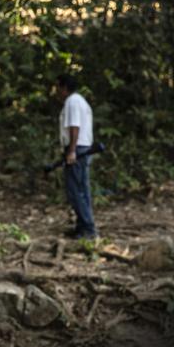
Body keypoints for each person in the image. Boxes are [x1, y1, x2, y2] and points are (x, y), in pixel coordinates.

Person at [56, 74, 97, 239]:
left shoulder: (72, 101)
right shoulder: (79, 100)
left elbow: (75, 126)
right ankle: (82, 226)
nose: (57, 91)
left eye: (58, 87)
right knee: (82, 189)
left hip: (78, 148)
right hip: (82, 147)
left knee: (75, 190)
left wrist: (71, 150)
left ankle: (88, 228)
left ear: (64, 87)